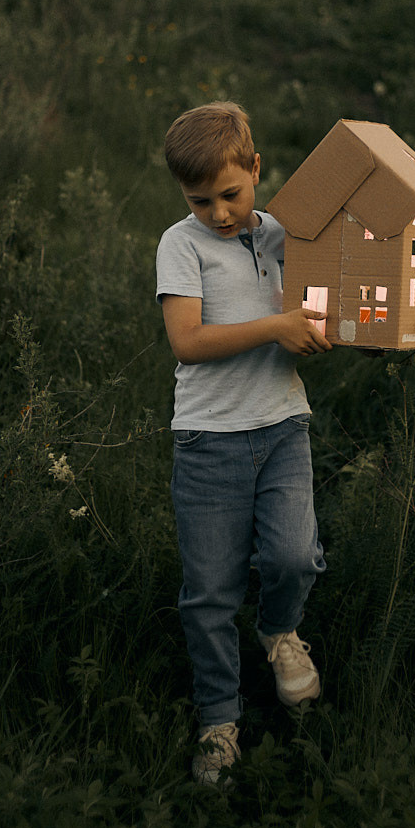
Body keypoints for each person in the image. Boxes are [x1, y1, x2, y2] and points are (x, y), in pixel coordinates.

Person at [156, 100, 331, 783]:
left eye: (230, 194)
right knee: (209, 592)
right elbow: (188, 341)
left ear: (256, 169)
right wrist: (275, 327)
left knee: (293, 556)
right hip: (208, 442)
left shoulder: (287, 235)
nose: (219, 213)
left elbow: (324, 305)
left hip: (284, 426)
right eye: (200, 200)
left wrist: (347, 332)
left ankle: (281, 632)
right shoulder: (181, 244)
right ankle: (219, 719)